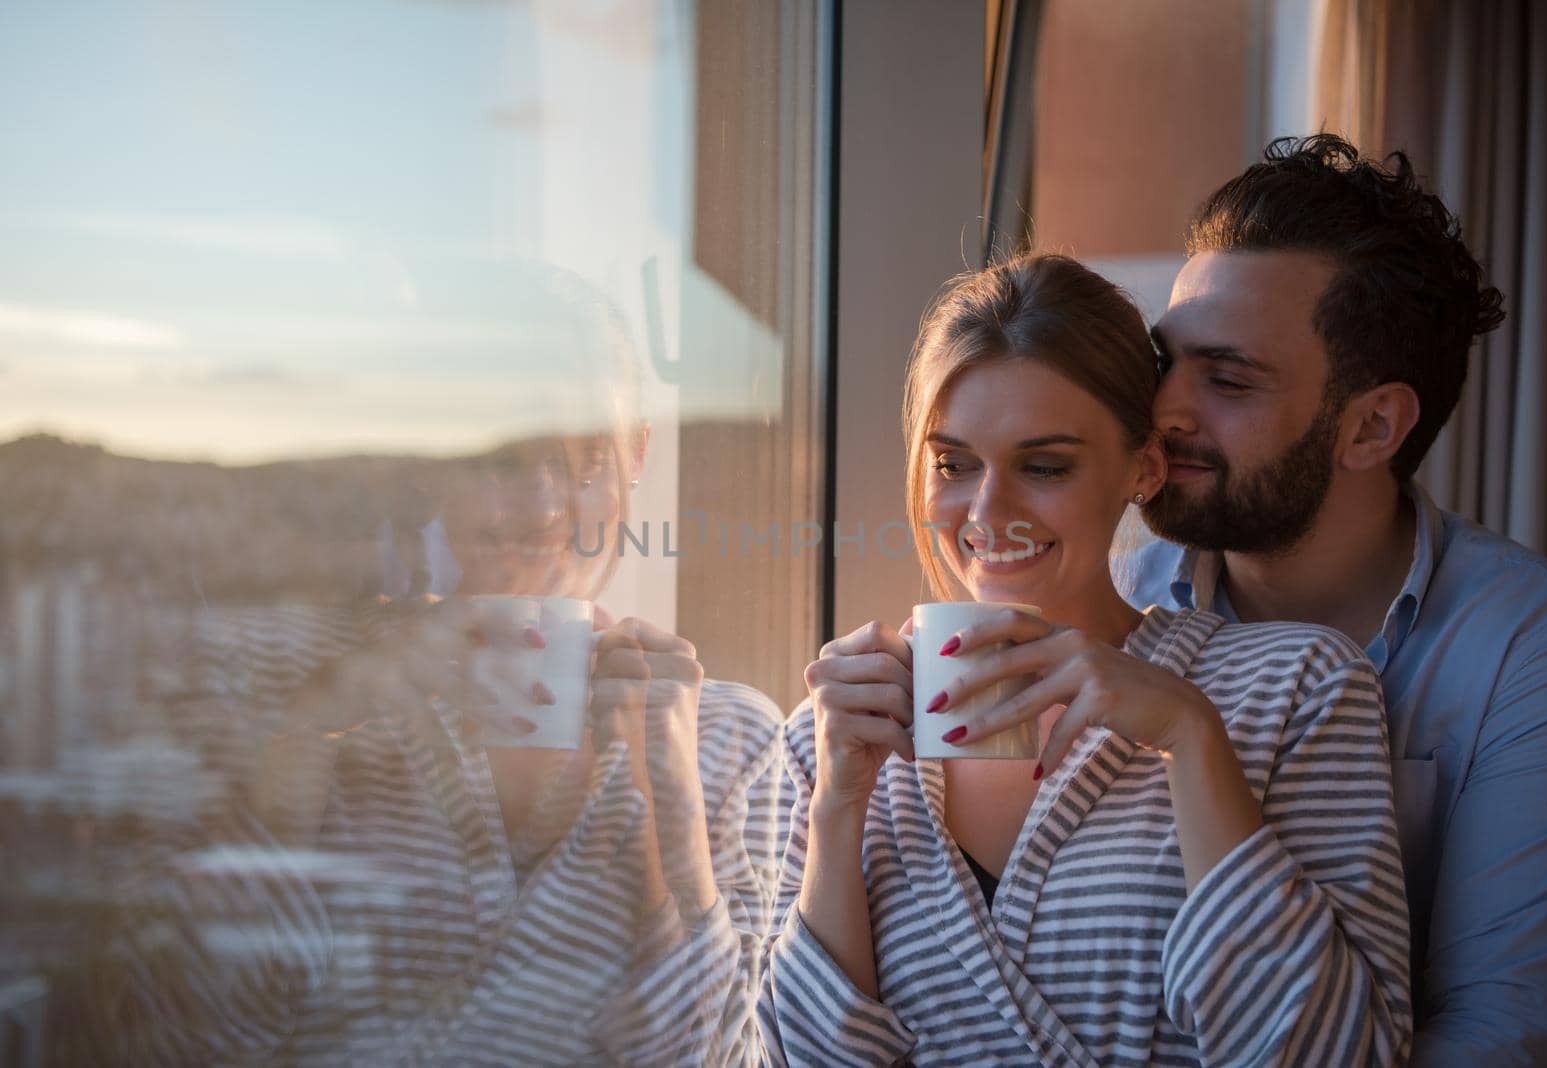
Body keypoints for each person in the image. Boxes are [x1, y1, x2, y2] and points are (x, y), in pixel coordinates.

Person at [44, 269, 784, 1066]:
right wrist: (303, 752)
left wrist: (663, 811)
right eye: (502, 461)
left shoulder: (728, 742)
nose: (542, 508)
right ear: (431, 459)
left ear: (637, 451)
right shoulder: (294, 690)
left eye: (585, 462)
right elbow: (184, 1040)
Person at [758, 252, 1412, 1066]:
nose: (987, 511)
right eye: (954, 464)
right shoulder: (830, 737)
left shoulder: (1294, 688)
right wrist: (836, 807)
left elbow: (1343, 1053)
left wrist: (1188, 733)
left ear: (1142, 468)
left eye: (1044, 466)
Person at [1121, 133, 1547, 1064]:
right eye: (1162, 366)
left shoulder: (1541, 659)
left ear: (1373, 425)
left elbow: (1507, 1039)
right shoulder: (1119, 596)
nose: (1164, 411)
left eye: (1225, 378)